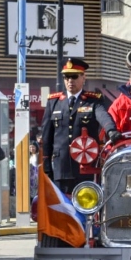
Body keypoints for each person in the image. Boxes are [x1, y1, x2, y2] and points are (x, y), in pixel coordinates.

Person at [41, 58, 120, 194]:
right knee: (62, 208)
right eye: (66, 77)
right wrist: (46, 163)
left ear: (84, 77)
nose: (70, 81)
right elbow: (46, 135)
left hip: (86, 166)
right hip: (61, 166)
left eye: (74, 76)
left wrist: (111, 130)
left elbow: (103, 116)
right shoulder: (54, 102)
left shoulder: (92, 101)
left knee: (86, 206)